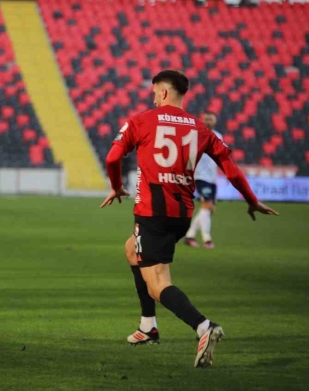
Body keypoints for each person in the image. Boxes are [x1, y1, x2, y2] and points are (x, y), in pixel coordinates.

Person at [101, 70, 278, 368]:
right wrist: (251, 201)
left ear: (165, 93)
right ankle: (148, 327)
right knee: (132, 250)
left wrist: (116, 185)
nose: (153, 96)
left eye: (156, 92)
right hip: (182, 214)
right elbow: (230, 168)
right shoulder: (200, 128)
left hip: (152, 213)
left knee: (158, 285)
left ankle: (203, 326)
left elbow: (111, 158)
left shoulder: (141, 120)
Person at [184, 111, 222, 249]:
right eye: (206, 119)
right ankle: (207, 239)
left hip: (212, 178)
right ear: (202, 120)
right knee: (207, 206)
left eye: (211, 119)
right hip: (200, 176)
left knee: (209, 209)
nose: (208, 122)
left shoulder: (218, 136)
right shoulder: (196, 134)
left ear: (215, 121)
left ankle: (190, 236)